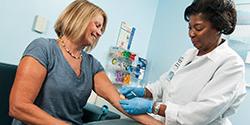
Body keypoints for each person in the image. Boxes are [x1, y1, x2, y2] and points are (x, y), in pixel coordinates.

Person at [9, 0, 163, 125]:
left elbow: (118, 101)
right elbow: (18, 107)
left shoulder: (91, 64)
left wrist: (156, 124)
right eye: (97, 25)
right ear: (79, 19)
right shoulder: (43, 48)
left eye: (102, 29)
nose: (99, 32)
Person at [119, 0, 247, 124]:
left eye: (198, 28)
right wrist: (143, 91)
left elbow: (201, 113)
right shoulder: (189, 54)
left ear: (218, 27)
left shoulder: (231, 64)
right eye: (190, 27)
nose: (191, 34)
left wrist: (153, 107)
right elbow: (166, 83)